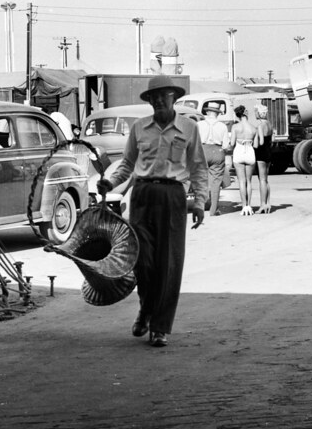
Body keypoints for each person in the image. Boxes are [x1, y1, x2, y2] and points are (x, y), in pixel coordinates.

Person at [97, 75, 208, 348]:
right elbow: (126, 164)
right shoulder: (139, 128)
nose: (159, 100)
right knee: (141, 261)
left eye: (164, 96)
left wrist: (200, 203)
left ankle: (160, 327)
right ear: (149, 101)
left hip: (173, 196)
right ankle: (146, 309)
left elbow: (199, 168)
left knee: (169, 264)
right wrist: (109, 182)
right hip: (143, 195)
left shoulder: (189, 128)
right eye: (154, 97)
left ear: (174, 97)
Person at [196, 101, 228, 216]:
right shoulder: (222, 126)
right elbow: (226, 146)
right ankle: (213, 210)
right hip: (217, 151)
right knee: (216, 182)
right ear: (217, 113)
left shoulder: (199, 125)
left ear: (207, 112)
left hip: (203, 151)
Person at [228, 105, 257, 215]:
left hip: (239, 151)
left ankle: (244, 206)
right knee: (249, 181)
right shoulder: (253, 128)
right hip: (249, 150)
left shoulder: (235, 127)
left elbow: (232, 143)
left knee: (241, 181)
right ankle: (249, 206)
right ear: (246, 114)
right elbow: (256, 144)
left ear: (237, 115)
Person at [253, 103, 273, 214]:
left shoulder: (260, 125)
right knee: (266, 179)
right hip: (268, 152)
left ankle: (262, 204)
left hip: (260, 153)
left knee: (261, 180)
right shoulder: (270, 124)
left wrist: (255, 138)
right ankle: (268, 203)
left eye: (256, 111)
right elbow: (272, 139)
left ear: (259, 113)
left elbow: (259, 142)